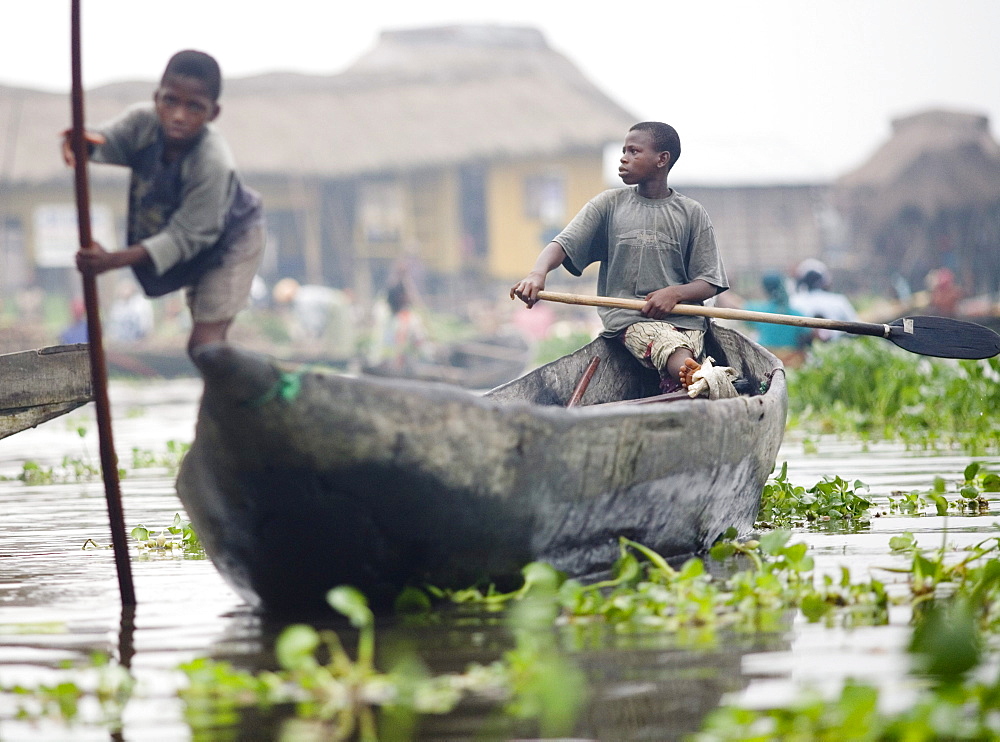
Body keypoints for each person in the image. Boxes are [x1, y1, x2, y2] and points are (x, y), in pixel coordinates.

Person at [62, 50, 264, 356]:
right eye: (170, 101)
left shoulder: (213, 162)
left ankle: (237, 402)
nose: (179, 116)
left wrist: (112, 260)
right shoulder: (141, 123)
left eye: (194, 107)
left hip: (233, 239)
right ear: (157, 98)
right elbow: (107, 141)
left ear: (213, 113)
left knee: (206, 344)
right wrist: (81, 142)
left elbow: (186, 236)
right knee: (204, 346)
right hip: (189, 238)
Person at [510, 121, 728, 393]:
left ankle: (690, 378)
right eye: (624, 150)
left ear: (662, 159)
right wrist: (536, 274)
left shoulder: (691, 213)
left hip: (685, 320)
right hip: (629, 319)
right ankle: (698, 376)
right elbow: (562, 244)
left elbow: (709, 281)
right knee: (664, 343)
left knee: (679, 344)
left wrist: (674, 294)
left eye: (634, 151)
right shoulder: (609, 205)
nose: (624, 158)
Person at [744, 271, 814, 365]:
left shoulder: (758, 311)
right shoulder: (797, 314)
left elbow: (736, 305)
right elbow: (808, 335)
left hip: (768, 361)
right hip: (792, 362)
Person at [789, 259, 857, 341]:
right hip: (836, 348)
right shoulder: (838, 300)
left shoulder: (794, 301)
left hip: (802, 351)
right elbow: (856, 328)